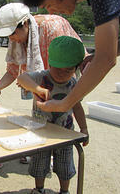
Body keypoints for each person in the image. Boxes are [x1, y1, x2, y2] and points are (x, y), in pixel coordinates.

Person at [0, 3, 86, 164]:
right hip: (45, 75)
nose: (11, 38)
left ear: (26, 24)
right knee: (41, 108)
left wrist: (38, 84)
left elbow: (61, 66)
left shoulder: (52, 28)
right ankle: (40, 146)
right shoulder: (17, 40)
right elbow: (13, 72)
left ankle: (54, 148)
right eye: (8, 35)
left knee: (61, 109)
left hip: (65, 67)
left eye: (13, 33)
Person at [19, 0, 120, 113]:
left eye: (49, 5)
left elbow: (106, 59)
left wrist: (65, 104)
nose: (51, 11)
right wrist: (98, 55)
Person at [17, 36, 89, 194]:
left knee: (65, 166)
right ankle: (39, 189)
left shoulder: (74, 84)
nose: (62, 74)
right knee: (39, 165)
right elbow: (21, 78)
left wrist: (84, 127)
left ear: (76, 68)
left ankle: (64, 191)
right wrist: (38, 89)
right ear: (50, 63)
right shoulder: (42, 78)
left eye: (68, 70)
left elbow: (77, 107)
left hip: (65, 134)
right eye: (57, 68)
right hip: (41, 133)